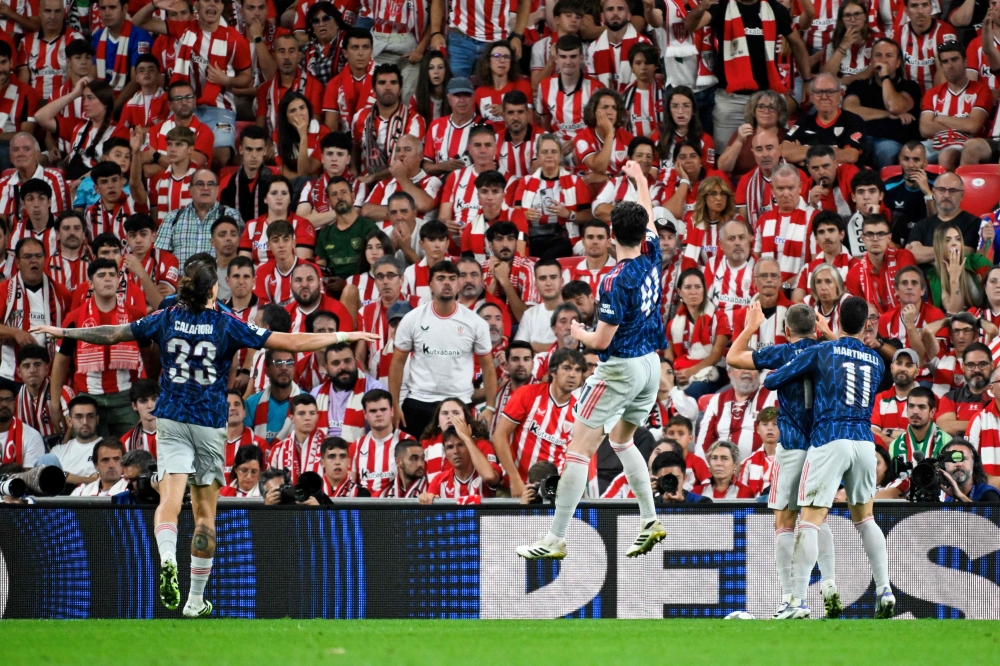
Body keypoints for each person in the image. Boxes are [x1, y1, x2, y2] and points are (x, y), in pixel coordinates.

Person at [31, 253, 379, 617]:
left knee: (169, 497)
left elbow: (113, 333)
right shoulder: (227, 323)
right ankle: (195, 601)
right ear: (214, 288)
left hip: (171, 420)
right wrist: (341, 334)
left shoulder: (165, 317)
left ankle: (168, 559)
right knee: (204, 515)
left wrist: (64, 332)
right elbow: (287, 342)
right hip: (210, 426)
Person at [516, 159, 666, 560]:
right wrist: (639, 179)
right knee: (621, 440)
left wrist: (578, 333)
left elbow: (601, 341)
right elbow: (648, 213)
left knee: (577, 450)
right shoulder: (653, 252)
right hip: (651, 365)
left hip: (620, 368)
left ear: (614, 234)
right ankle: (650, 520)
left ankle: (555, 538)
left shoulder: (615, 279)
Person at [764, 296, 894, 619]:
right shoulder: (877, 361)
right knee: (865, 519)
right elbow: (872, 372)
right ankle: (885, 589)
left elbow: (772, 380)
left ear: (835, 319)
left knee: (809, 521)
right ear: (867, 325)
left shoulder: (822, 351)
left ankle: (795, 601)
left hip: (829, 438)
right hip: (865, 443)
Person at [727, 300, 842, 616]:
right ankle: (829, 581)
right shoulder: (829, 351)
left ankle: (791, 599)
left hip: (791, 446)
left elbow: (733, 357)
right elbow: (851, 347)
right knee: (816, 519)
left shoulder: (781, 352)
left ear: (786, 329)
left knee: (784, 521)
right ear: (815, 328)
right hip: (822, 445)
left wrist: (751, 326)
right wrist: (828, 331)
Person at [133, 0, 254, 169]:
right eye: (206, 0)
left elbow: (247, 78)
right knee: (164, 154)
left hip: (219, 107)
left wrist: (227, 81)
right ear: (196, 4)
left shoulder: (235, 40)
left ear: (222, 7)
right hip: (183, 104)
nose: (212, 4)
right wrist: (154, 4)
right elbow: (138, 22)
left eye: (217, 1)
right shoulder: (183, 28)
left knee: (221, 157)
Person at [684, 0, 811, 150]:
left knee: (776, 152)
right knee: (726, 153)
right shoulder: (721, 6)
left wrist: (807, 80)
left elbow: (796, 43)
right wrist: (701, 7)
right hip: (730, 99)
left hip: (769, 96)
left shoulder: (775, 9)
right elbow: (690, 26)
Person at [390, 260, 496, 438]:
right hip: (419, 400)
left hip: (459, 401)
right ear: (430, 285)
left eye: (452, 278)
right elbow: (397, 364)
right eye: (440, 278)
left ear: (458, 284)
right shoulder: (412, 319)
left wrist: (491, 408)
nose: (447, 283)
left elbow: (488, 366)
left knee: (458, 459)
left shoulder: (475, 322)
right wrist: (395, 405)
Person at [52, 259, 151, 438]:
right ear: (90, 283)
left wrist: (150, 388)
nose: (108, 279)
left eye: (112, 275)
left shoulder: (135, 316)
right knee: (90, 456)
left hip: (125, 398)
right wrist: (54, 404)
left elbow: (150, 355)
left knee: (133, 451)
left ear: (119, 280)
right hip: (89, 399)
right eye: (101, 275)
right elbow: (60, 363)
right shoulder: (75, 319)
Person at [491, 347, 584, 495]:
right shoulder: (527, 394)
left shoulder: (580, 413)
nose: (573, 374)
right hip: (515, 486)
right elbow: (499, 436)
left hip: (553, 492)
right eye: (567, 368)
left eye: (578, 370)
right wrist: (515, 480)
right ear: (553, 372)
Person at [843, 38, 922, 169]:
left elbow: (894, 107)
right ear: (872, 61)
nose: (882, 60)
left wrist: (885, 77)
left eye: (889, 56)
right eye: (878, 55)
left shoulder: (910, 87)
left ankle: (886, 188)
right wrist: (886, 114)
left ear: (898, 63)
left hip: (891, 142)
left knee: (887, 150)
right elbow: (849, 110)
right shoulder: (858, 85)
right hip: (861, 139)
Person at [0, 238, 70, 380]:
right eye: (27, 256)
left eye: (38, 256)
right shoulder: (4, 291)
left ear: (45, 259)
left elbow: (71, 332)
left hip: (50, 376)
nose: (34, 260)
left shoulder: (61, 293)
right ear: (18, 263)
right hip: (11, 375)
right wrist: (15, 333)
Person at [918, 42, 992, 170]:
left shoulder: (981, 90)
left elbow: (973, 126)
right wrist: (961, 123)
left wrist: (941, 118)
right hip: (934, 144)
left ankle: (949, 189)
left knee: (947, 155)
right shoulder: (932, 93)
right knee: (908, 151)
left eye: (954, 59)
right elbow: (925, 128)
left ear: (965, 62)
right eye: (945, 62)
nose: (950, 65)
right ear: (941, 66)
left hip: (964, 143)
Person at [33, 76, 123, 181]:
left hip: (95, 188)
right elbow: (40, 117)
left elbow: (113, 168)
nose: (85, 103)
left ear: (105, 103)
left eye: (90, 98)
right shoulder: (78, 126)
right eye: (84, 98)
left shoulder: (119, 131)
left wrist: (80, 182)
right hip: (71, 185)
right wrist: (74, 94)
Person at [155, 169, 243, 267]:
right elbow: (162, 259)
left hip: (219, 280)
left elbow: (241, 253)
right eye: (200, 184)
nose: (205, 188)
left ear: (218, 190)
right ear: (190, 190)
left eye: (210, 184)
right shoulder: (172, 218)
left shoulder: (231, 215)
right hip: (181, 280)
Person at [426, 0, 530, 79]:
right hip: (460, 38)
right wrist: (435, 33)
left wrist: (517, 36)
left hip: (495, 42)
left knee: (491, 95)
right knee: (456, 92)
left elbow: (525, 2)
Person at [666, 268, 729, 398]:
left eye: (698, 287)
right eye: (688, 287)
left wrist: (691, 372)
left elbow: (716, 355)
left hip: (713, 371)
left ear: (704, 290)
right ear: (679, 292)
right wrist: (671, 376)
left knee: (692, 392)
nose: (693, 292)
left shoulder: (720, 318)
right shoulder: (673, 325)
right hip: (680, 372)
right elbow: (668, 358)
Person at [753, 164, 817, 289]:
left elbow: (815, 264)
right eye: (781, 188)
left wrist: (785, 286)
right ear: (772, 189)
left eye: (791, 188)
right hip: (766, 290)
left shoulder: (813, 218)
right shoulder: (763, 220)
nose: (786, 193)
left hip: (800, 290)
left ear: (800, 187)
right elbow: (755, 261)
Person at [536, 35, 601, 150]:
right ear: (556, 59)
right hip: (558, 147)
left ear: (581, 58)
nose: (568, 62)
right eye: (563, 57)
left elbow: (600, 125)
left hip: (588, 146)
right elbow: (544, 120)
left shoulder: (595, 88)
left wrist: (577, 141)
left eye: (573, 56)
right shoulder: (545, 86)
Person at [844, 214, 918, 314]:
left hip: (908, 318)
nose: (875, 239)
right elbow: (862, 314)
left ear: (889, 238)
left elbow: (911, 296)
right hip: (875, 326)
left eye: (881, 234)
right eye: (870, 234)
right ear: (862, 238)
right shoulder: (853, 275)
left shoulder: (904, 257)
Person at [255, 33, 324, 138]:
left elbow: (314, 127)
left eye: (291, 51)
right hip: (274, 146)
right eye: (281, 51)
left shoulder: (315, 86)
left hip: (304, 144)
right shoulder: (265, 89)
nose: (286, 57)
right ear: (274, 56)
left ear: (299, 56)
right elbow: (259, 130)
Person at [417, 422, 503, 502]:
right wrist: (426, 498)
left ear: (470, 447)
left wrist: (468, 439)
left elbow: (490, 477)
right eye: (450, 447)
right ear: (445, 453)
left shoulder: (490, 469)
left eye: (461, 445)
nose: (456, 451)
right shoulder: (439, 480)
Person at [716, 91, 788, 185]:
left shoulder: (786, 135)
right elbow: (722, 167)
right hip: (740, 184)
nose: (766, 111)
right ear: (753, 111)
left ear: (780, 112)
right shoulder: (743, 133)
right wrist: (739, 141)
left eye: (772, 107)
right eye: (761, 106)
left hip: (776, 184)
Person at [90, 0, 153, 98]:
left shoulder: (140, 37)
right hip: (103, 100)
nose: (107, 13)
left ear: (125, 9)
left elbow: (136, 81)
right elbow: (93, 76)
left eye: (112, 7)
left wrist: (113, 108)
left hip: (131, 102)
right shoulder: (97, 37)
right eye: (103, 8)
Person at [0, 133, 67, 221]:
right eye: (16, 150)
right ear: (11, 157)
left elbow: (57, 219)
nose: (20, 154)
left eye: (26, 149)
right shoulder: (4, 183)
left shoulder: (53, 178)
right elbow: (1, 223)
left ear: (38, 155)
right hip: (13, 234)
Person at [883, 142, 937, 247]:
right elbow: (882, 226)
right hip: (899, 245)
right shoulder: (888, 187)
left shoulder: (938, 184)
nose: (911, 165)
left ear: (925, 163)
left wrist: (928, 193)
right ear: (900, 161)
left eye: (916, 160)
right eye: (906, 159)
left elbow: (938, 226)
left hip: (929, 243)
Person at [898, 0, 958, 92]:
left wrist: (930, 101)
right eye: (914, 6)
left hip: (937, 95)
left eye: (925, 5)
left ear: (931, 8)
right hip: (907, 96)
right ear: (906, 11)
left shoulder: (945, 32)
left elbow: (945, 72)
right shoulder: (899, 33)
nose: (920, 11)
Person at [219, 126, 274, 224]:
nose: (254, 155)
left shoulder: (276, 181)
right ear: (240, 149)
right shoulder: (227, 182)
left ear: (265, 151)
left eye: (259, 149)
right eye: (249, 149)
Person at [266, 393, 326, 483]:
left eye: (312, 413)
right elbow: (270, 484)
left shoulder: (329, 446)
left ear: (317, 417)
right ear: (291, 418)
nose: (307, 418)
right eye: (301, 413)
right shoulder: (277, 450)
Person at [888, 386, 952, 462]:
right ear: (906, 410)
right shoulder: (895, 445)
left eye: (922, 407)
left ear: (932, 413)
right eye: (911, 406)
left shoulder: (946, 441)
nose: (915, 411)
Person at [872, 348, 921, 445]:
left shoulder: (925, 400)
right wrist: (901, 443)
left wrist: (888, 432)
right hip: (885, 457)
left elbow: (921, 437)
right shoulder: (880, 398)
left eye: (909, 365)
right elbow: (873, 434)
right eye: (899, 363)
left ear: (917, 372)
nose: (902, 369)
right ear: (891, 368)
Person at [821, 0, 877, 84]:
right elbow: (825, 76)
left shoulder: (877, 42)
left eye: (857, 14)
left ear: (865, 17)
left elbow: (868, 75)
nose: (853, 19)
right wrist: (842, 47)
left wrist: (838, 82)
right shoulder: (833, 43)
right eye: (847, 15)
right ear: (842, 20)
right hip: (840, 93)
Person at [50, 394, 102, 483]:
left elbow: (105, 481)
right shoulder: (58, 451)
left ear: (97, 420)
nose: (85, 422)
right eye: (79, 417)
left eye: (90, 416)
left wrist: (66, 476)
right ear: (69, 421)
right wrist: (90, 479)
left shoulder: (109, 449)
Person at [0, 378, 45, 468]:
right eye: (0, 399)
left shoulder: (32, 436)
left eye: (9, 399)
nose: (4, 404)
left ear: (15, 403)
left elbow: (29, 476)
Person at [120, 378, 160, 456]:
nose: (150, 406)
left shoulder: (178, 435)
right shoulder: (126, 441)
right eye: (143, 401)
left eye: (154, 399)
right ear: (134, 406)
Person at [410, 50, 452, 123]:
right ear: (425, 71)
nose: (436, 72)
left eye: (440, 67)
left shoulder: (454, 97)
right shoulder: (416, 99)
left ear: (446, 70)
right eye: (431, 68)